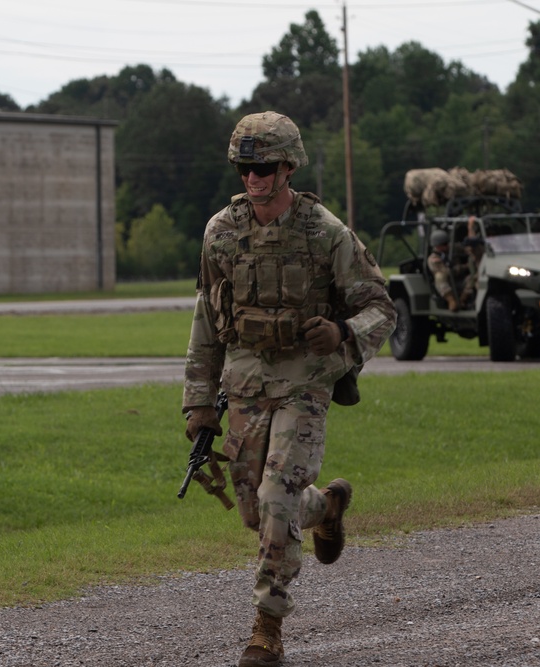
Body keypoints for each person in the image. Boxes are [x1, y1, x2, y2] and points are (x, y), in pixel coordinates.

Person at [182, 111, 396, 667]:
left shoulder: (325, 231)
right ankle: (325, 508)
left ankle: (266, 630)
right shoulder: (220, 233)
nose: (253, 178)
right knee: (256, 512)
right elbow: (206, 320)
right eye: (245, 167)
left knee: (277, 501)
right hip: (246, 384)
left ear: (289, 167)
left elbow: (381, 307)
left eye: (266, 167)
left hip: (305, 383)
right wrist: (199, 401)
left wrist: (344, 333)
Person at [427, 229, 459, 311]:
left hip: (456, 279)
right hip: (445, 283)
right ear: (438, 246)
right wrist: (456, 268)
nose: (447, 246)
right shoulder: (433, 258)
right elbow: (443, 271)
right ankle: (451, 300)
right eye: (444, 244)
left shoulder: (450, 253)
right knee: (439, 276)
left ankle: (462, 300)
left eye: (447, 244)